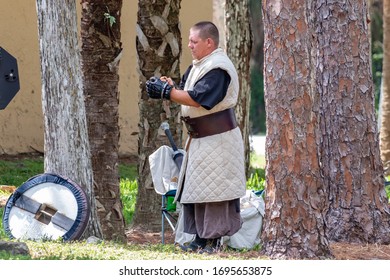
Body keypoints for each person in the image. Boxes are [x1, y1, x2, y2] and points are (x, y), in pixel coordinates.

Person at [146, 21, 246, 253]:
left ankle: (213, 241)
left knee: (215, 192)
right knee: (199, 190)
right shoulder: (201, 65)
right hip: (201, 140)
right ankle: (201, 239)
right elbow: (187, 89)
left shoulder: (218, 68)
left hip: (218, 139)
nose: (189, 45)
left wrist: (168, 94)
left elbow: (200, 98)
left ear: (209, 42)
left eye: (194, 41)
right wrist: (171, 87)